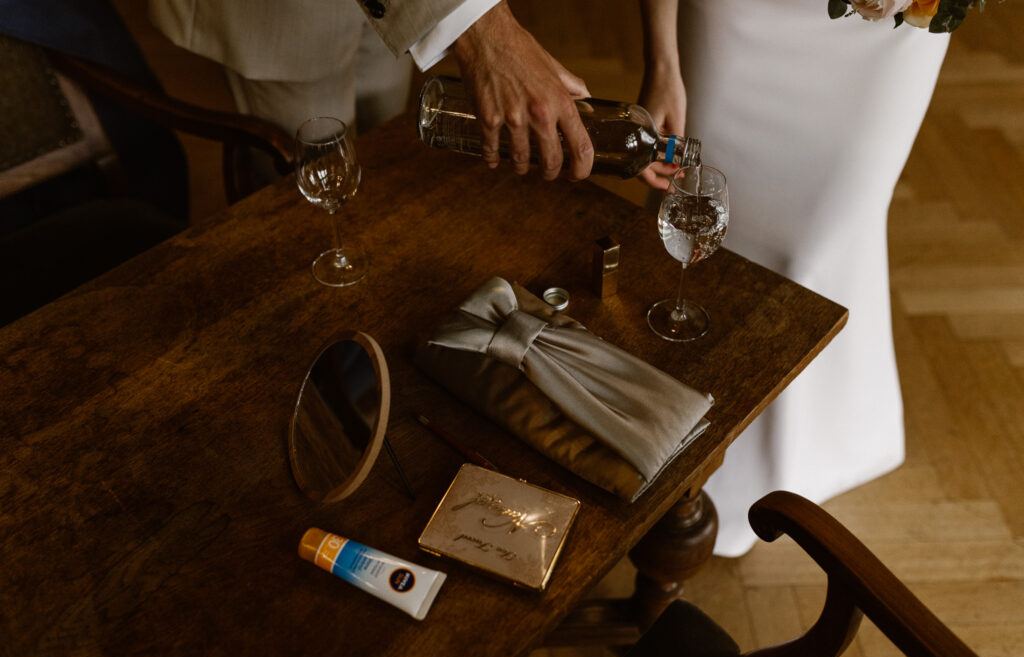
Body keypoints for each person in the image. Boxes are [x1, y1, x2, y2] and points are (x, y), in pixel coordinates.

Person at [637, 0, 950, 556]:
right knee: (717, 201)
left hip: (892, 35)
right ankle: (683, 447)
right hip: (744, 14)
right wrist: (663, 59)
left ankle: (805, 450)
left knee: (819, 240)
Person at [147, 0, 606, 185]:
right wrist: (485, 31)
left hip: (405, 7)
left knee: (380, 153)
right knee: (311, 193)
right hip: (285, 12)